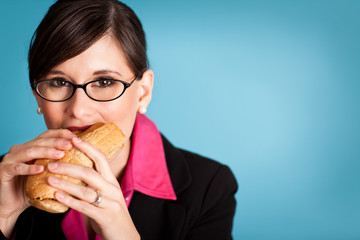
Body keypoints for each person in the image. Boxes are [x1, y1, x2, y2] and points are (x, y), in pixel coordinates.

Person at [0, 0, 238, 239]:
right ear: (38, 97)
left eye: (104, 82)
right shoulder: (5, 179)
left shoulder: (209, 188)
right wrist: (4, 217)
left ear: (143, 92)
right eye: (59, 83)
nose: (79, 110)